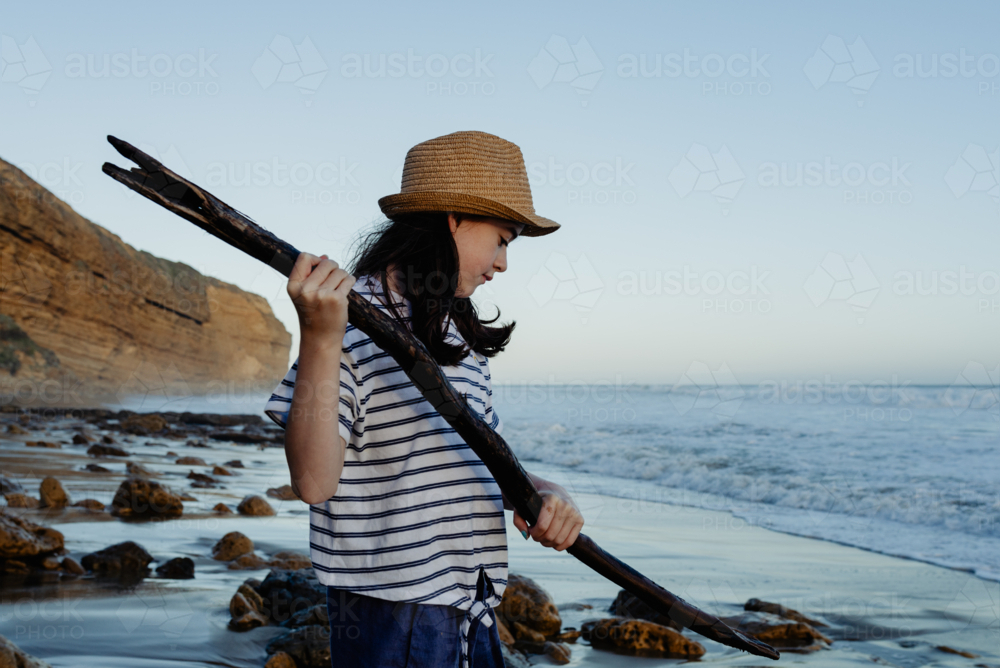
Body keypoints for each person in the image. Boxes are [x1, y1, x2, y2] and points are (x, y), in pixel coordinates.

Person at [263, 130, 584, 668]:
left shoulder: (457, 332)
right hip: (397, 612)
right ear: (455, 218)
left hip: (471, 599)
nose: (504, 263)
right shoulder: (352, 317)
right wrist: (319, 336)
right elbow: (314, 482)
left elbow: (466, 463)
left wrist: (544, 493)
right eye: (502, 239)